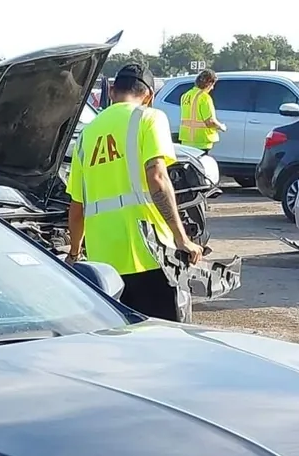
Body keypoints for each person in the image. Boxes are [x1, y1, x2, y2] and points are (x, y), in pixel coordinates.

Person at [65, 63, 202, 321]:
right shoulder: (149, 118)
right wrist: (181, 237)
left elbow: (77, 206)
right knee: (162, 337)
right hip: (149, 253)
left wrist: (74, 253)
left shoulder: (86, 135)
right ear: (149, 96)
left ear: (112, 92)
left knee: (119, 338)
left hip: (104, 266)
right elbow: (157, 178)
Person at [178, 69, 223, 152]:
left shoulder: (185, 96)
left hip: (186, 140)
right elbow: (210, 122)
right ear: (209, 83)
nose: (212, 88)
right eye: (212, 85)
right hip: (201, 141)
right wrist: (221, 126)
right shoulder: (204, 97)